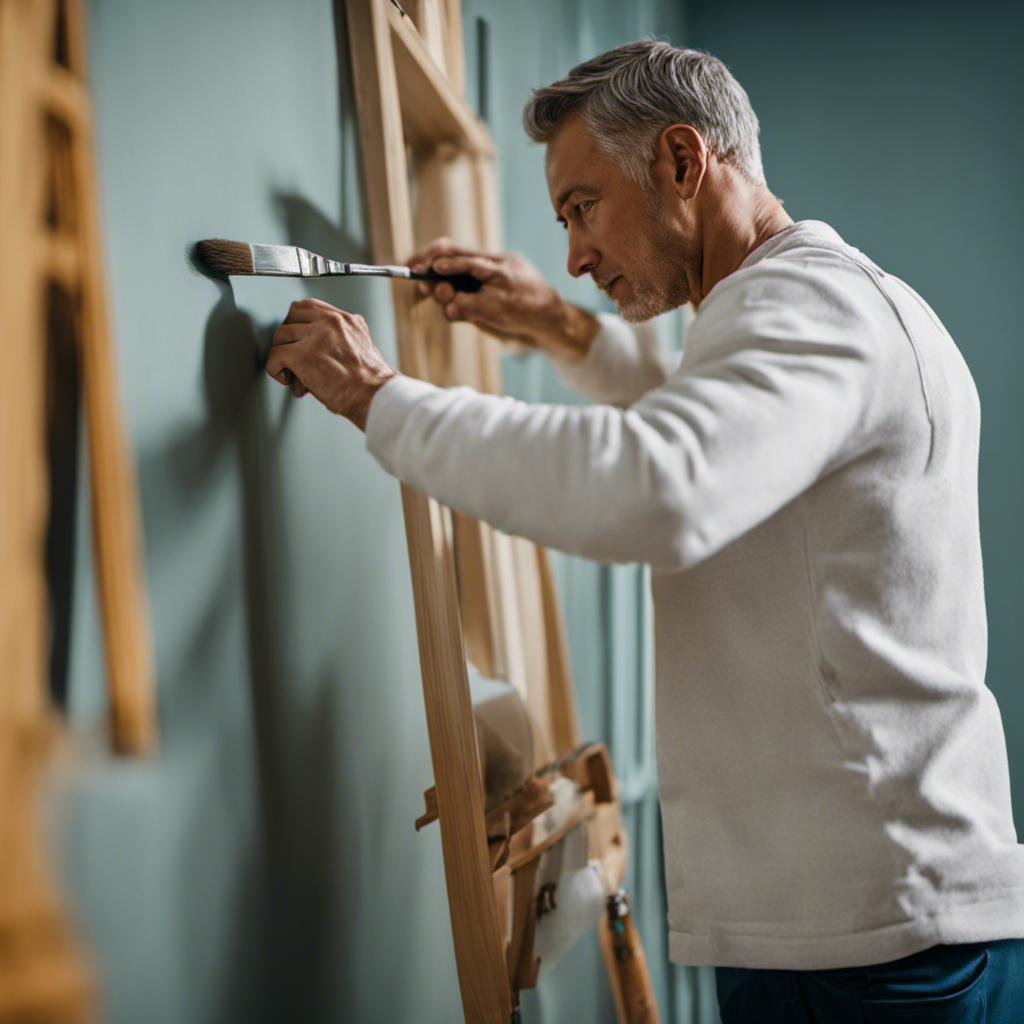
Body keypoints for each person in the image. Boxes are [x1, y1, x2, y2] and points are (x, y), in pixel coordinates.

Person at [265, 40, 1024, 1022]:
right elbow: (731, 433)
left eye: (581, 208)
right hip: (862, 925)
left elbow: (661, 484)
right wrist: (555, 324)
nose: (573, 256)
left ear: (680, 159)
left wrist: (376, 396)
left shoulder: (808, 307)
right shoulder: (816, 299)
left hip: (878, 953)